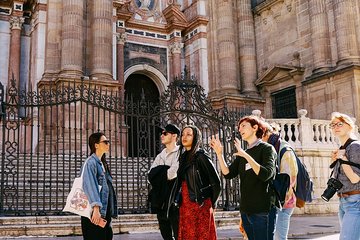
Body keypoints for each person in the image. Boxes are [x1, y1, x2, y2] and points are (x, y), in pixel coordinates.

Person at [210, 115, 277, 240]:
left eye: (243, 126)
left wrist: (246, 155)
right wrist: (219, 154)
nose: (240, 130)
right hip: (246, 210)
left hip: (263, 210)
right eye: (239, 127)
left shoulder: (267, 149)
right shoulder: (243, 153)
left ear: (255, 127)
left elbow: (266, 174)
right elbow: (228, 173)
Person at [171, 125, 221, 240]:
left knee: (201, 236)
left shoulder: (201, 156)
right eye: (183, 134)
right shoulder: (183, 157)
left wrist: (211, 203)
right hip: (185, 204)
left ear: (195, 137)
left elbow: (216, 182)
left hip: (200, 204)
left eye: (189, 134)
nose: (184, 137)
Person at [262, 122, 298, 240]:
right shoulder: (270, 148)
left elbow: (290, 177)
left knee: (279, 237)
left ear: (267, 133)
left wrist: (282, 199)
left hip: (284, 202)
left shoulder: (283, 148)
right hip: (274, 201)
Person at [329, 112, 360, 240]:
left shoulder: (355, 147)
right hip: (343, 202)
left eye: (340, 124)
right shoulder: (342, 148)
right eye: (333, 125)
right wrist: (335, 161)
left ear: (350, 126)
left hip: (355, 202)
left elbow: (355, 178)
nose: (336, 127)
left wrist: (343, 159)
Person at [81, 132, 118, 240]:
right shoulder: (90, 163)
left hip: (104, 212)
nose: (108, 144)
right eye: (105, 142)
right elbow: (90, 186)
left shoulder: (102, 163)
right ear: (96, 145)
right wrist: (96, 209)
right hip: (94, 213)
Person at [148, 123, 181, 240]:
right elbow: (150, 175)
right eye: (162, 133)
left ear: (174, 136)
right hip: (160, 200)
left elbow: (173, 173)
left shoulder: (180, 153)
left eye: (165, 133)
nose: (162, 135)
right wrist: (164, 171)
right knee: (165, 233)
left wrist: (160, 172)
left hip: (174, 199)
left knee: (178, 233)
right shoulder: (160, 156)